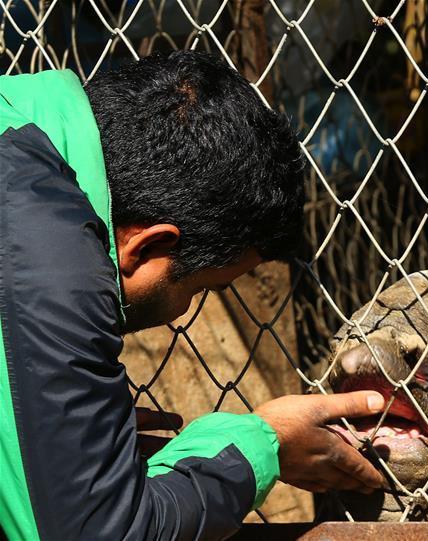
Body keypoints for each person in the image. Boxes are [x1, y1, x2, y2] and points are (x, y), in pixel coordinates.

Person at [0, 51, 386, 540]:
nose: (185, 309)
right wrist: (262, 445)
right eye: (203, 288)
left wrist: (47, 438)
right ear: (149, 246)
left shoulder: (17, 129)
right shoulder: (43, 258)